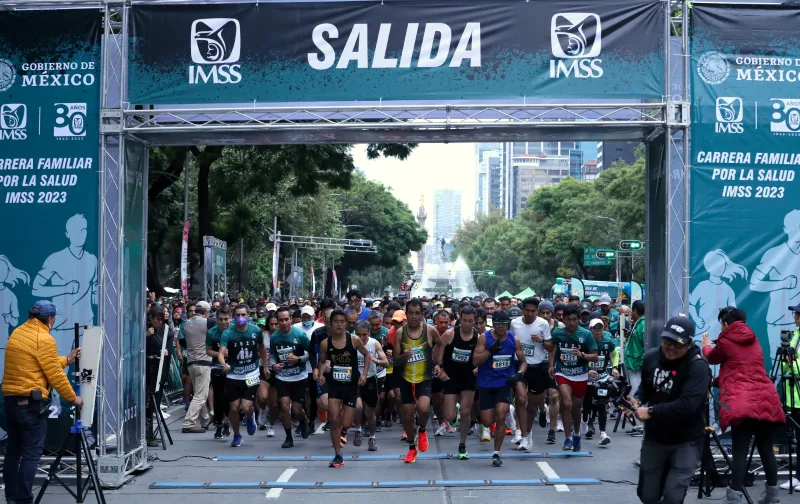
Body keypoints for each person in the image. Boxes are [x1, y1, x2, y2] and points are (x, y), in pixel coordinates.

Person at [701, 307, 785, 504]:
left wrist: (705, 345)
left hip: (742, 402)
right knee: (765, 449)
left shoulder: (725, 341)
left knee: (740, 451)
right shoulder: (753, 339)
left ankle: (734, 498)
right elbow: (741, 368)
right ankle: (772, 497)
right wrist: (716, 381)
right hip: (765, 397)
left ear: (727, 324)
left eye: (721, 324)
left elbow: (712, 357)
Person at [3, 301, 82, 504]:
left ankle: (12, 498)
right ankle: (24, 500)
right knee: (31, 454)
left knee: (13, 451)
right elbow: (54, 374)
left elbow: (38, 362)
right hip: (31, 405)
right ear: (49, 319)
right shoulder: (44, 338)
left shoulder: (19, 332)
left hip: (11, 401)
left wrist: (67, 359)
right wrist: (74, 398)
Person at [630, 315, 711, 504]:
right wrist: (637, 399)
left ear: (689, 344)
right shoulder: (651, 357)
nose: (672, 348)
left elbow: (688, 405)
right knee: (647, 496)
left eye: (678, 344)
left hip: (687, 439)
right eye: (668, 341)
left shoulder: (697, 366)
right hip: (656, 437)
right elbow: (646, 387)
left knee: (673, 497)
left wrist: (650, 412)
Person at [314, 310, 372, 467]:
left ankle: (343, 430)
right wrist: (320, 373)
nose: (339, 324)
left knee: (345, 423)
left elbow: (367, 355)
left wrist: (364, 374)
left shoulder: (353, 340)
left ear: (346, 324)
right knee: (334, 421)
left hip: (351, 385)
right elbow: (322, 360)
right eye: (336, 321)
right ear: (330, 323)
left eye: (342, 321)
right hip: (335, 384)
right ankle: (338, 455)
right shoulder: (325, 343)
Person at [473, 310, 527, 467]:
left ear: (508, 325)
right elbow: (475, 361)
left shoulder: (513, 339)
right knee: (488, 421)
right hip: (486, 384)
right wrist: (490, 350)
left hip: (504, 383)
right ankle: (490, 423)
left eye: (503, 324)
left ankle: (496, 453)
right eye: (497, 324)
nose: (500, 327)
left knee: (501, 415)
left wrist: (519, 374)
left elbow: (523, 362)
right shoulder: (485, 338)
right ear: (493, 324)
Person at [393, 298, 445, 463]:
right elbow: (395, 360)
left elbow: (441, 344)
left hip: (424, 378)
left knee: (423, 408)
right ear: (406, 314)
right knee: (407, 416)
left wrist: (437, 363)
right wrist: (403, 356)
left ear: (422, 314)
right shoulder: (400, 333)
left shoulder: (429, 330)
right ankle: (411, 447)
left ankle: (422, 429)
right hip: (406, 378)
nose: (414, 316)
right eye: (411, 313)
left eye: (417, 313)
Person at [546, 303, 598, 452]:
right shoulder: (557, 332)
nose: (571, 323)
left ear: (579, 319)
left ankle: (576, 434)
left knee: (576, 408)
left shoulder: (586, 334)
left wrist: (582, 355)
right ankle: (568, 438)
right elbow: (552, 348)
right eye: (568, 319)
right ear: (564, 319)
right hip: (563, 372)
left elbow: (595, 357)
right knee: (566, 403)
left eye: (574, 320)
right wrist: (551, 365)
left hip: (580, 374)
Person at [218, 303, 268, 447]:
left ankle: (250, 416)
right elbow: (221, 353)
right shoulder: (228, 333)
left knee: (246, 407)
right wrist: (223, 364)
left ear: (248, 316)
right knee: (233, 408)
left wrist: (264, 366)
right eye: (238, 315)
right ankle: (237, 435)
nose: (240, 318)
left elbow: (262, 349)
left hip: (251, 373)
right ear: (234, 317)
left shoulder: (256, 331)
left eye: (243, 315)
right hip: (233, 375)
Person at [436, 305, 479, 459]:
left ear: (474, 321)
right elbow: (438, 354)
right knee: (448, 416)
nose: (468, 324)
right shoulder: (449, 334)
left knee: (466, 412)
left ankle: (462, 444)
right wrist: (440, 369)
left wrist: (479, 367)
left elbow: (480, 357)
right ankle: (455, 412)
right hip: (451, 377)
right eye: (465, 320)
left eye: (471, 321)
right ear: (460, 319)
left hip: (468, 378)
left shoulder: (477, 337)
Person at [511, 297, 552, 451]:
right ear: (523, 310)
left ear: (537, 311)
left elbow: (550, 347)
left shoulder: (543, 324)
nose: (529, 313)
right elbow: (510, 341)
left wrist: (541, 341)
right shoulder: (515, 323)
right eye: (527, 310)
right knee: (521, 399)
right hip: (520, 366)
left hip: (537, 367)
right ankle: (521, 434)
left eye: (533, 311)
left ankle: (528, 434)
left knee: (531, 405)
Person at [269, 306, 312, 448]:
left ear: (291, 320)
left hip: (299, 377)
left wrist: (299, 359)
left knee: (296, 410)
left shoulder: (299, 335)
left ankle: (303, 419)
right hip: (282, 378)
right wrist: (274, 366)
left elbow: (311, 353)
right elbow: (273, 357)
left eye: (286, 319)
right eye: (281, 320)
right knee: (284, 406)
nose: (284, 323)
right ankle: (288, 437)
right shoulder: (274, 337)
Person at [582, 317, 619, 446]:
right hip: (587, 377)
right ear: (590, 329)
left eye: (600, 328)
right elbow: (579, 358)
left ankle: (603, 433)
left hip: (602, 376)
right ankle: (586, 422)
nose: (597, 331)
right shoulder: (585, 343)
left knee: (602, 403)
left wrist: (614, 367)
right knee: (587, 403)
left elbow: (614, 354)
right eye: (595, 329)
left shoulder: (607, 342)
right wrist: (586, 371)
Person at [353, 320, 388, 450]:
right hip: (355, 380)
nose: (361, 338)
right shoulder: (351, 342)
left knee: (370, 413)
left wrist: (375, 360)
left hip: (371, 380)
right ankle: (358, 430)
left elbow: (386, 363)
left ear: (369, 333)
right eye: (359, 334)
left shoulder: (374, 343)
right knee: (357, 407)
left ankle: (372, 438)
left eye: (364, 334)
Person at [181, 301, 212, 433]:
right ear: (206, 312)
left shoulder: (187, 323)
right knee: (201, 395)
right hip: (203, 361)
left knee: (199, 392)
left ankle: (205, 419)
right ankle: (189, 423)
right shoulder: (207, 322)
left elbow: (181, 341)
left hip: (191, 362)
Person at [146, 305, 173, 447]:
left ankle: (151, 433)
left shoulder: (164, 330)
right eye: (158, 319)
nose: (160, 322)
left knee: (155, 401)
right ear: (151, 319)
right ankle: (147, 434)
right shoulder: (147, 331)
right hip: (149, 370)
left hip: (160, 369)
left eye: (162, 319)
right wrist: (147, 336)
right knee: (149, 403)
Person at [206, 305, 232, 439]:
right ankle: (218, 423)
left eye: (226, 319)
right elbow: (208, 350)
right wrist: (219, 354)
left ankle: (227, 422)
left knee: (229, 397)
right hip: (217, 368)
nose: (223, 322)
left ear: (230, 318)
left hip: (233, 369)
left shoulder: (235, 331)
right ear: (216, 319)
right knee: (219, 397)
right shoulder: (211, 333)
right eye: (221, 319)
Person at [626, 300, 646, 397]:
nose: (630, 314)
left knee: (635, 393)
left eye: (631, 311)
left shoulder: (643, 324)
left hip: (637, 366)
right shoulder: (639, 323)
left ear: (635, 310)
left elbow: (645, 345)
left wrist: (642, 363)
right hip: (634, 364)